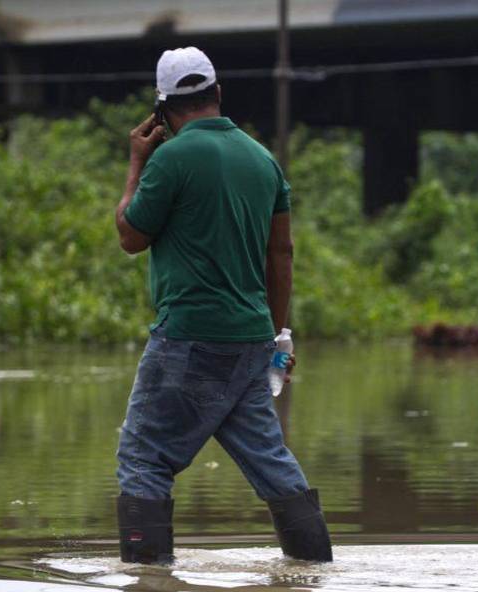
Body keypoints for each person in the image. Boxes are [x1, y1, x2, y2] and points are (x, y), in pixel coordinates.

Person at [111, 46, 332, 565]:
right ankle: (313, 573)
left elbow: (130, 236)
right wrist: (278, 337)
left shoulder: (169, 159)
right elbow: (282, 254)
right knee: (271, 461)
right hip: (251, 341)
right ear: (218, 93)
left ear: (162, 110)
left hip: (188, 338)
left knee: (144, 458)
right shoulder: (263, 161)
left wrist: (137, 162)